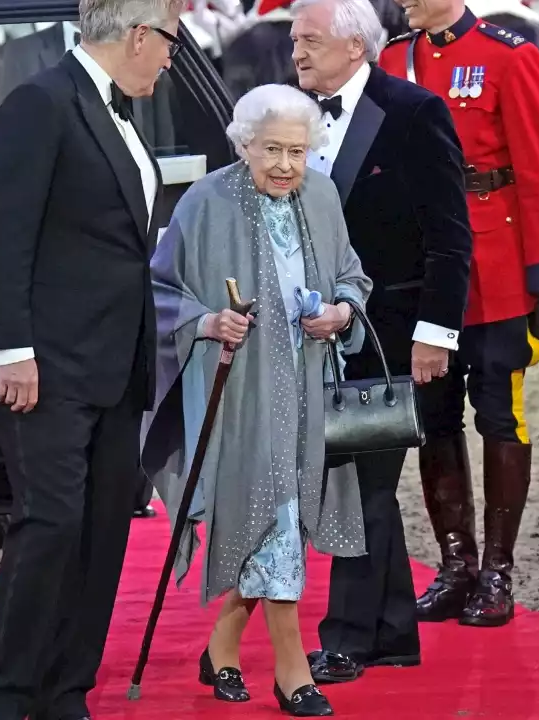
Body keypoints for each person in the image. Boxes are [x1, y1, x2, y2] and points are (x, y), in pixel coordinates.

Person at [0, 0, 183, 717]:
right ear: (140, 36)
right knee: (50, 522)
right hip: (45, 367)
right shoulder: (40, 103)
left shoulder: (118, 112)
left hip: (115, 367)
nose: (174, 57)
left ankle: (65, 691)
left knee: (101, 530)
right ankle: (2, 695)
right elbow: (1, 235)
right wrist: (12, 351)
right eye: (171, 42)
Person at [140, 83, 373, 718]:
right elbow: (158, 290)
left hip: (307, 388)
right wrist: (209, 321)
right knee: (272, 514)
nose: (285, 166)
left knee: (282, 516)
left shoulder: (321, 195)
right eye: (271, 149)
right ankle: (293, 672)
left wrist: (341, 311)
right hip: (238, 391)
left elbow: (352, 272)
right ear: (243, 145)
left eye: (297, 152)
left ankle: (221, 649)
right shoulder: (205, 201)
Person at [285, 0, 473, 685]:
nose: (297, 53)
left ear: (355, 47)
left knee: (358, 489)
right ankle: (392, 632)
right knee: (364, 485)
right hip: (316, 339)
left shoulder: (416, 113)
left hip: (394, 337)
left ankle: (346, 639)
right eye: (294, 40)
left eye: (309, 40)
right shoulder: (290, 117)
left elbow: (452, 236)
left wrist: (435, 335)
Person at [378, 0, 539, 628]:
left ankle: (497, 572)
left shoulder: (507, 56)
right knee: (434, 418)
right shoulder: (392, 58)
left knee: (498, 417)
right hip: (424, 273)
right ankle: (456, 567)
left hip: (494, 270)